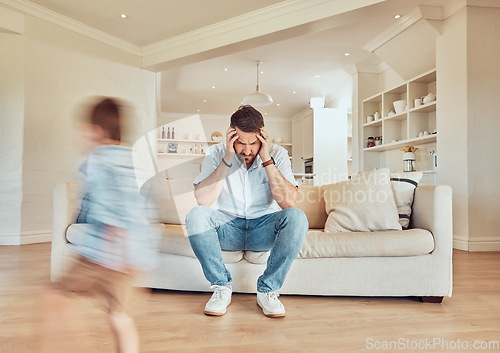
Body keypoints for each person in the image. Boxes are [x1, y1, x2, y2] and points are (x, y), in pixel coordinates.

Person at [40, 97, 157, 353]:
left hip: (104, 254)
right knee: (119, 316)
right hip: (133, 259)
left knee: (56, 297)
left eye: (84, 131)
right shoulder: (139, 161)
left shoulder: (98, 160)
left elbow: (109, 205)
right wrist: (137, 255)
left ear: (96, 131)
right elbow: (147, 207)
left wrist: (117, 247)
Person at [185, 105, 308, 318]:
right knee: (196, 215)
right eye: (241, 143)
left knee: (297, 217)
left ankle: (268, 290)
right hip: (227, 228)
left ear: (263, 136)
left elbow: (289, 202)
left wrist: (267, 158)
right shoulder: (216, 153)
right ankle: (221, 287)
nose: (248, 150)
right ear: (232, 136)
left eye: (254, 143)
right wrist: (228, 157)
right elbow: (203, 200)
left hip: (263, 229)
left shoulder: (278, 153)